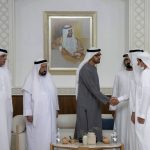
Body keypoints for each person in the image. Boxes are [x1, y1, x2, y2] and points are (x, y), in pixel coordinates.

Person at [74, 47, 110, 142]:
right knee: (84, 136)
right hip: (85, 105)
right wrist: (108, 99)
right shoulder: (85, 69)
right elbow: (93, 89)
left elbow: (94, 89)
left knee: (94, 135)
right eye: (97, 55)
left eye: (100, 55)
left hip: (93, 104)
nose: (99, 57)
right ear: (91, 56)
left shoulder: (92, 68)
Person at [22, 59, 59, 150]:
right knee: (37, 139)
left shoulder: (49, 78)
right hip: (36, 116)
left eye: (46, 66)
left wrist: (56, 108)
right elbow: (26, 98)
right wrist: (28, 113)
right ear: (37, 67)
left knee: (49, 137)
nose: (44, 69)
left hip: (49, 115)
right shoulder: (30, 79)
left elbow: (54, 94)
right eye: (42, 67)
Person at [109, 54, 133, 150]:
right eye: (126, 60)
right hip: (121, 108)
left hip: (133, 109)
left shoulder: (138, 74)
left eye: (129, 59)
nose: (127, 61)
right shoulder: (119, 74)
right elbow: (115, 91)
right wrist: (113, 109)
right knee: (121, 130)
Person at [135, 52, 150, 150]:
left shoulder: (145, 73)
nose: (137, 64)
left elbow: (146, 93)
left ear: (143, 61)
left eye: (138, 61)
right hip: (145, 110)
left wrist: (142, 115)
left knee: (143, 139)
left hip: (145, 112)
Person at [0, 48, 13, 150]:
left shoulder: (6, 71)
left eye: (5, 57)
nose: (5, 59)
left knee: (6, 131)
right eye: (2, 56)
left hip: (6, 107)